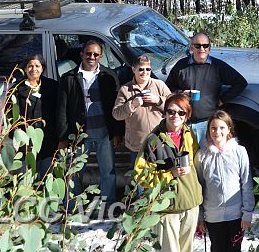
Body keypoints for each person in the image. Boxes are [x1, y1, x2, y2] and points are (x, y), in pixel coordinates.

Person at [56, 40, 123, 205]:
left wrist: (116, 133)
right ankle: (71, 207)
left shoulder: (109, 76)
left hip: (104, 134)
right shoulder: (69, 78)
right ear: (81, 54)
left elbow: (116, 106)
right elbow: (62, 109)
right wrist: (64, 137)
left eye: (95, 54)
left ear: (100, 56)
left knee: (108, 172)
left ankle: (108, 206)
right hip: (79, 136)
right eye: (88, 53)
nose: (91, 57)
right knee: (75, 172)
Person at [135, 93, 202, 252]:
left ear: (187, 116)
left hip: (190, 205)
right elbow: (141, 176)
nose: (175, 116)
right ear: (164, 113)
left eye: (181, 112)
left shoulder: (189, 135)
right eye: (171, 111)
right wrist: (170, 173)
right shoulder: (153, 140)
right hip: (167, 209)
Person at [166, 32, 248, 145]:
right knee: (186, 159)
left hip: (207, 124)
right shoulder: (181, 66)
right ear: (191, 47)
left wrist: (222, 100)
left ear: (209, 48)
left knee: (205, 160)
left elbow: (240, 83)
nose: (202, 49)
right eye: (198, 45)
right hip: (183, 123)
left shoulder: (218, 66)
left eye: (205, 45)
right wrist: (181, 94)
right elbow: (168, 87)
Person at [196, 110, 255, 252]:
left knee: (235, 249)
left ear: (229, 129)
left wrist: (247, 213)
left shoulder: (239, 151)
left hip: (236, 216)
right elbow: (198, 187)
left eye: (222, 127)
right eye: (213, 128)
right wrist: (200, 217)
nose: (217, 132)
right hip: (213, 216)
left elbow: (246, 183)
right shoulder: (202, 156)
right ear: (208, 130)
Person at [112, 55, 171, 165]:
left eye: (148, 69)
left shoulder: (160, 85)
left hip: (160, 141)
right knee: (138, 180)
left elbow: (173, 107)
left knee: (161, 177)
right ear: (133, 69)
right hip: (137, 145)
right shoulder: (125, 89)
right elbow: (116, 114)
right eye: (141, 69)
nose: (145, 72)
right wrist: (132, 105)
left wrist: (158, 100)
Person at [10, 53, 59, 176]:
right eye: (30, 66)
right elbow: (10, 115)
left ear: (42, 68)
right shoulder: (16, 89)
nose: (34, 69)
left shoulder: (53, 87)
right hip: (26, 143)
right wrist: (17, 136)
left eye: (37, 66)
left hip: (48, 142)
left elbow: (60, 111)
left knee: (46, 177)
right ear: (25, 68)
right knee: (25, 179)